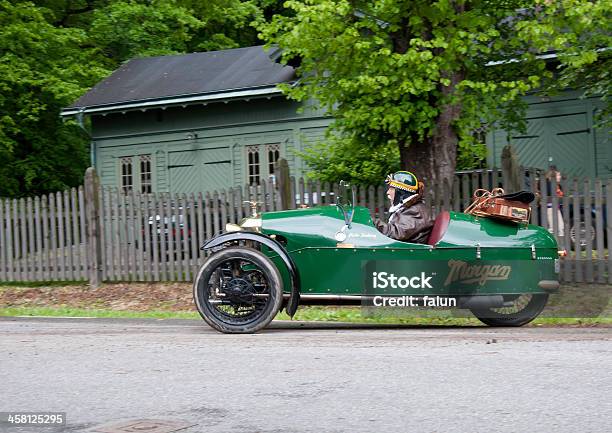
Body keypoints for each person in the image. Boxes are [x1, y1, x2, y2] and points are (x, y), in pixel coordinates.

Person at [374, 171, 434, 243]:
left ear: (401, 192)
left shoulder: (415, 211)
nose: (388, 192)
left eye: (391, 189)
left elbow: (397, 233)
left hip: (409, 252)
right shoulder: (408, 207)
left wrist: (373, 222)